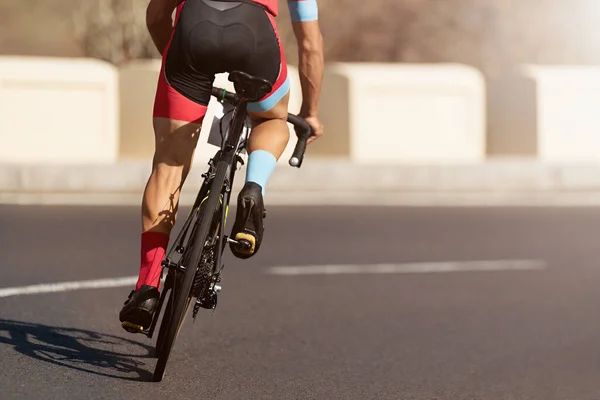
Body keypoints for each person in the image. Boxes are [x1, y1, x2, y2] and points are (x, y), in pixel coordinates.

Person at [119, 0, 325, 332]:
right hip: (254, 34)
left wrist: (179, 65)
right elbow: (310, 45)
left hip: (192, 33)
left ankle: (147, 286)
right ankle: (254, 186)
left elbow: (156, 16)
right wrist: (312, 110)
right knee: (272, 119)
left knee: (168, 165)